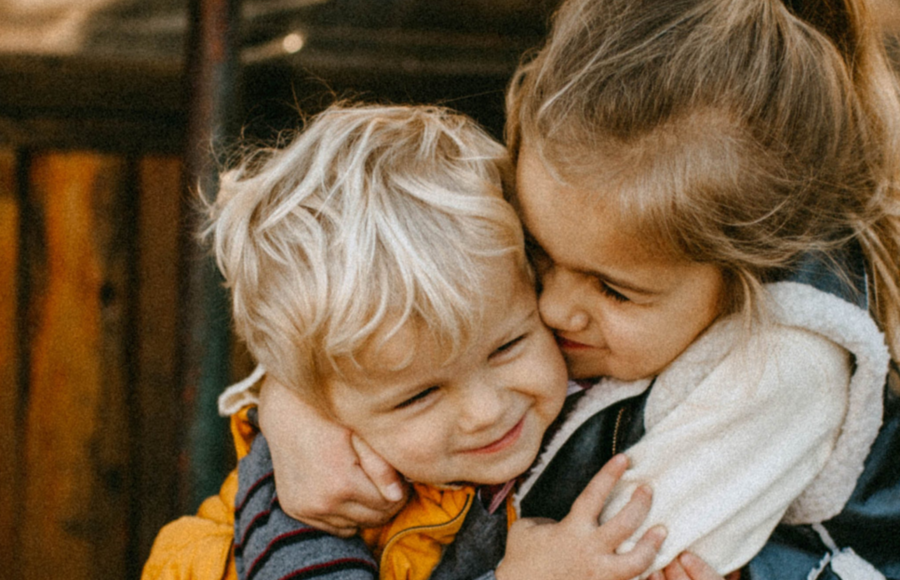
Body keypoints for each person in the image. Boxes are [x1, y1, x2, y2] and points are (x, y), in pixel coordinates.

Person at [257, 0, 900, 579]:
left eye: (614, 291)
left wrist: (293, 514)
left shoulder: (781, 370)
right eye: (537, 251)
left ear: (745, 275)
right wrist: (292, 407)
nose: (554, 308)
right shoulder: (585, 201)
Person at [141, 104, 669, 580]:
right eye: (420, 395)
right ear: (328, 408)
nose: (486, 411)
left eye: (507, 346)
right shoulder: (323, 497)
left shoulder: (592, 364)